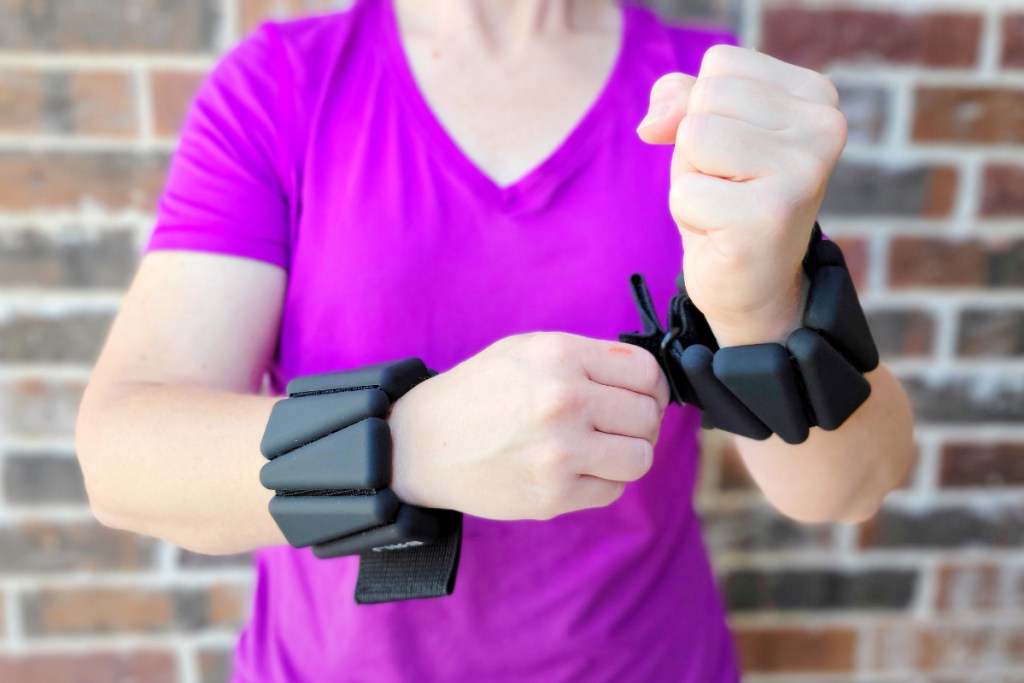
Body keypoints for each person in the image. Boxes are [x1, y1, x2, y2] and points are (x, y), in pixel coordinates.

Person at [75, 0, 916, 680]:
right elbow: (124, 457)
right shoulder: (285, 84)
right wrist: (410, 445)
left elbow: (849, 487)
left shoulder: (703, 99)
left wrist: (762, 302)